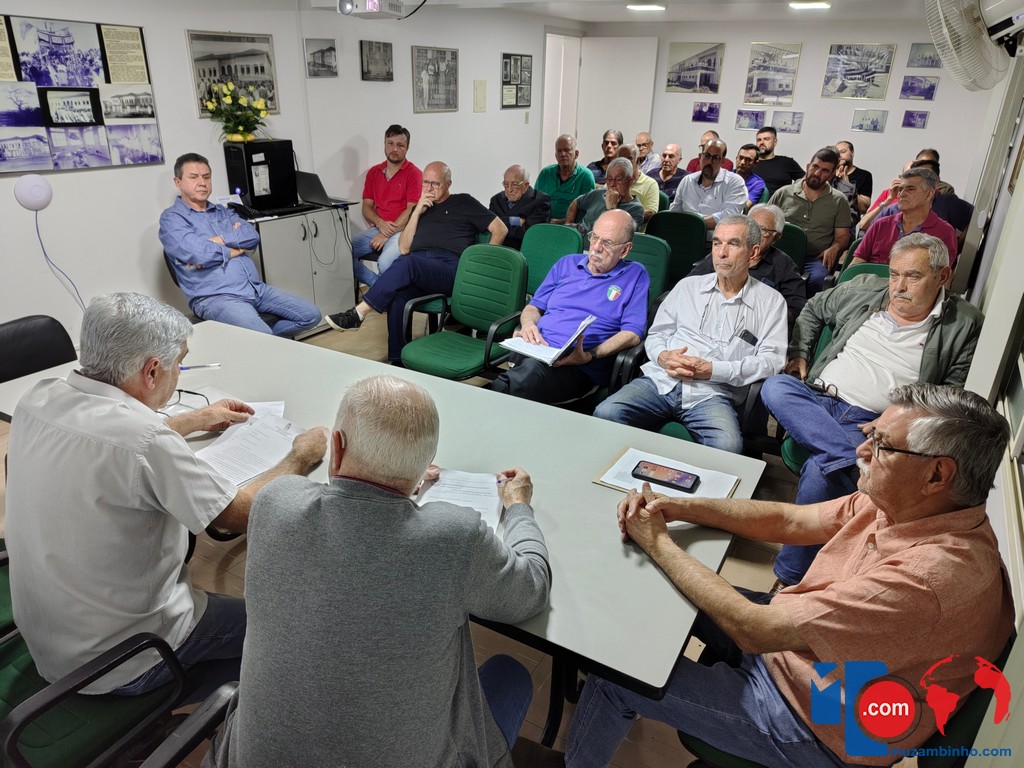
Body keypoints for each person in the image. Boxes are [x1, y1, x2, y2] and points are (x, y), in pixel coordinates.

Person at [561, 383, 1013, 768]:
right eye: (870, 434)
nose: (861, 451)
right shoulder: (913, 504)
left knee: (615, 679)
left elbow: (753, 629)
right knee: (665, 591)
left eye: (882, 444)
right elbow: (793, 520)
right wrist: (679, 506)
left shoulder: (928, 578)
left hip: (818, 721)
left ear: (937, 474)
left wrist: (659, 542)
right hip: (809, 655)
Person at [203, 375, 550, 767]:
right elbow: (532, 589)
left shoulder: (274, 502)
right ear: (424, 466)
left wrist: (373, 486)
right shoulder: (455, 537)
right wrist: (519, 506)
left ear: (336, 447)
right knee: (510, 675)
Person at [5, 292, 326, 700]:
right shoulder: (146, 442)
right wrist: (300, 456)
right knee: (291, 628)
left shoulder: (38, 397)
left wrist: (194, 419)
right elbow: (241, 515)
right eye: (180, 364)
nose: (179, 373)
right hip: (124, 659)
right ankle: (216, 706)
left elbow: (109, 439)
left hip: (49, 641)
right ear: (152, 371)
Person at [760, 233, 984, 586]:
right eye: (895, 274)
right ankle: (848, 460)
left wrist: (895, 421)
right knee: (775, 386)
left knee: (820, 473)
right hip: (818, 399)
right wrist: (800, 352)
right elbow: (815, 307)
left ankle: (789, 580)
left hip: (870, 423)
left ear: (943, 276)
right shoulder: (864, 288)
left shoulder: (964, 322)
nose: (899, 286)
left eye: (913, 276)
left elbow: (949, 392)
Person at [593, 215, 787, 453]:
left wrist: (713, 370)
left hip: (714, 393)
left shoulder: (771, 302)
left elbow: (771, 362)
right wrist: (663, 357)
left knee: (727, 446)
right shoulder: (688, 287)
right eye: (716, 243)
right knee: (606, 413)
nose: (721, 253)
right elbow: (656, 335)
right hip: (662, 381)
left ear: (753, 253)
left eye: (733, 244)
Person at [324, 161, 507, 363]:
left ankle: (359, 313)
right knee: (398, 295)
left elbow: (500, 229)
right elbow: (404, 247)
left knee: (408, 263)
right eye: (425, 183)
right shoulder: (420, 209)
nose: (429, 188)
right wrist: (417, 211)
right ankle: (397, 359)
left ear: (448, 184)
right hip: (420, 269)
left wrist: (478, 267)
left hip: (450, 269)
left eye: (435, 184)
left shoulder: (464, 202)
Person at [488, 210, 649, 404]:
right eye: (594, 237)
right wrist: (528, 325)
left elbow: (633, 333)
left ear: (625, 250)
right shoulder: (567, 263)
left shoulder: (635, 275)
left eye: (607, 243)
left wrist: (591, 355)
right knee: (522, 377)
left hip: (579, 366)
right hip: (536, 350)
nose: (596, 247)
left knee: (515, 381)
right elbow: (534, 307)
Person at [159, 152, 321, 337]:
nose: (202, 182)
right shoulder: (171, 219)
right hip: (216, 297)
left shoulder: (222, 211)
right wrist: (236, 246)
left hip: (256, 289)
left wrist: (214, 241)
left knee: (311, 315)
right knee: (262, 334)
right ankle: (265, 343)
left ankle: (263, 344)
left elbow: (252, 235)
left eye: (206, 177)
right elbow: (199, 254)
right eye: (194, 177)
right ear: (178, 182)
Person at [688, 204, 806, 329]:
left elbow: (795, 311)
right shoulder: (723, 254)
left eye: (762, 230)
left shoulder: (784, 265)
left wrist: (759, 310)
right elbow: (690, 286)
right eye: (751, 227)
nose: (753, 235)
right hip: (709, 320)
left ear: (776, 237)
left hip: (753, 328)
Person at [769, 146, 852, 295]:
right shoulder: (784, 193)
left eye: (825, 171)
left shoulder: (839, 200)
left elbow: (843, 236)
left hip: (814, 258)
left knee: (818, 279)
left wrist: (835, 247)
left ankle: (805, 308)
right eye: (815, 167)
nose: (817, 173)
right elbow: (764, 223)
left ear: (832, 174)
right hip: (780, 252)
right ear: (808, 166)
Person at [351, 124, 423, 287]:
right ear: (384, 144)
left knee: (384, 264)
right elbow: (366, 207)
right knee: (339, 253)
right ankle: (377, 287)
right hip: (379, 227)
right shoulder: (374, 172)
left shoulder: (414, 174)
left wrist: (386, 233)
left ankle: (381, 292)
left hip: (402, 231)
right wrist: (380, 223)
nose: (394, 149)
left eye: (400, 145)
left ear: (407, 148)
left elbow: (412, 210)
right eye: (390, 143)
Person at [851, 168, 958, 268]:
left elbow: (939, 276)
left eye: (910, 189)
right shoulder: (880, 225)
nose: (902, 194)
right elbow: (855, 265)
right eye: (900, 189)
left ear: (929, 194)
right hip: (869, 281)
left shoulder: (945, 232)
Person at [670, 138, 748, 243]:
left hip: (715, 243)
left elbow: (729, 217)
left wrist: (692, 225)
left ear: (723, 161)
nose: (709, 161)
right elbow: (674, 212)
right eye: (706, 155)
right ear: (700, 157)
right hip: (683, 237)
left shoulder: (734, 182)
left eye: (716, 158)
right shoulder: (687, 181)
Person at [565, 157, 645, 237]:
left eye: (619, 179)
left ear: (630, 181)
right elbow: (576, 202)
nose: (612, 184)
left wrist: (611, 208)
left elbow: (616, 237)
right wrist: (568, 226)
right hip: (576, 237)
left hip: (597, 243)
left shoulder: (635, 209)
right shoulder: (598, 193)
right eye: (609, 179)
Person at [535, 134, 596, 224]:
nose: (563, 154)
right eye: (559, 151)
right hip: (544, 224)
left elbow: (588, 211)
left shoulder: (585, 176)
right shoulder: (545, 173)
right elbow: (535, 202)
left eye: (567, 150)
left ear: (576, 154)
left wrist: (565, 221)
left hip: (572, 227)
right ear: (555, 155)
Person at [488, 164, 551, 250]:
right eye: (506, 184)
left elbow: (529, 234)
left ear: (526, 185)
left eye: (514, 185)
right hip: (497, 249)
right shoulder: (496, 200)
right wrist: (515, 220)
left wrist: (499, 227)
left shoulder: (541, 200)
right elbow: (488, 225)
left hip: (523, 252)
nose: (509, 190)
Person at [753, 126, 804, 196]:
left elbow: (805, 180)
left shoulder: (787, 162)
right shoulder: (750, 163)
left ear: (775, 142)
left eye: (766, 139)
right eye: (759, 140)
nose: (762, 142)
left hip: (780, 202)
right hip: (754, 202)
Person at [617, 143, 659, 226]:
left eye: (629, 159)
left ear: (638, 161)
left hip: (636, 230)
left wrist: (618, 216)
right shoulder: (612, 181)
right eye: (621, 160)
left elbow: (650, 213)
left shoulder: (650, 184)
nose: (625, 163)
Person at [835, 139, 873, 216]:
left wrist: (847, 185)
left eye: (843, 152)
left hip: (849, 219)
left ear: (852, 152)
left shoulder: (864, 175)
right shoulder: (828, 172)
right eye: (836, 153)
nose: (839, 156)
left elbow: (863, 208)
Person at [733, 143, 765, 211]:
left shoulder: (757, 184)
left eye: (748, 160)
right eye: (740, 158)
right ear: (736, 158)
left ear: (755, 163)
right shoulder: (726, 176)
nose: (742, 162)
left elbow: (743, 208)